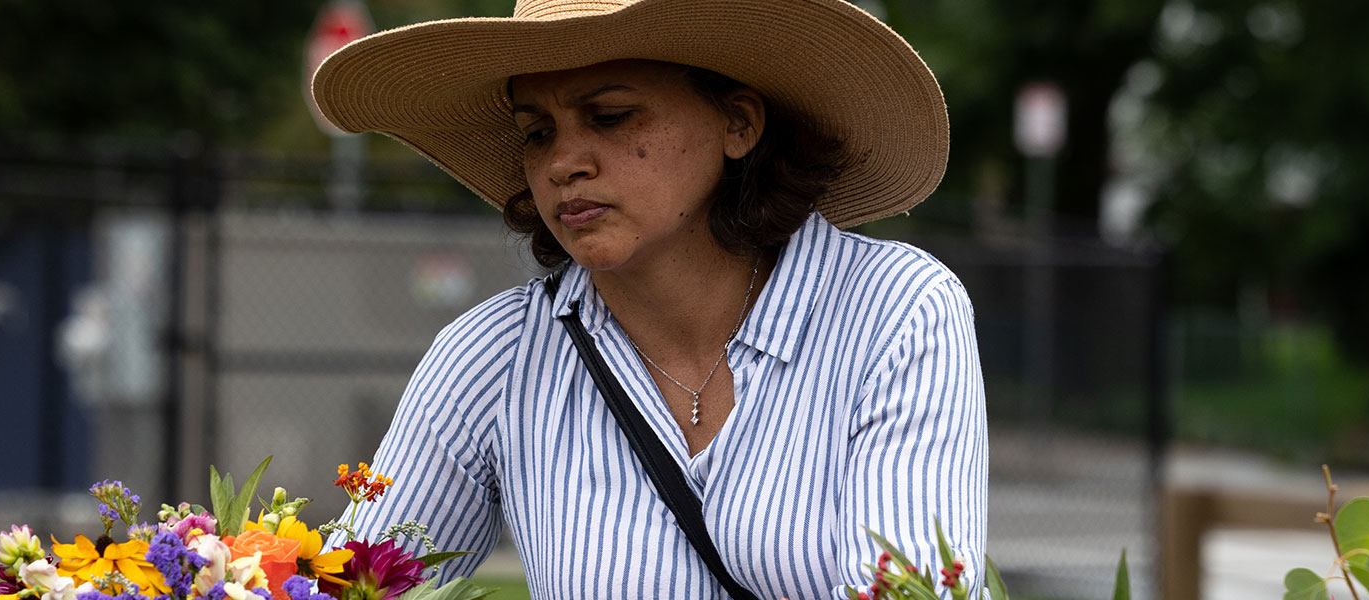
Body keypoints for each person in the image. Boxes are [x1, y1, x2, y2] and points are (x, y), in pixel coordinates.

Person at [309, 0, 986, 598]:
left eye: (609, 116)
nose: (562, 162)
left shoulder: (896, 314)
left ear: (739, 123)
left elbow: (912, 590)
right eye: (537, 130)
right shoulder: (492, 358)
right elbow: (356, 582)